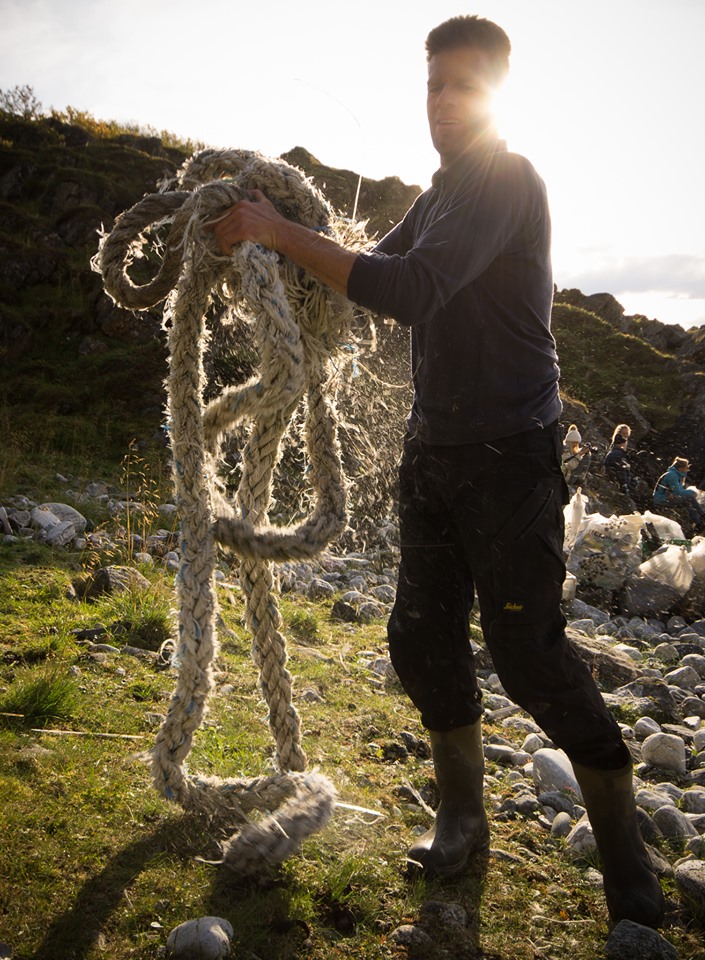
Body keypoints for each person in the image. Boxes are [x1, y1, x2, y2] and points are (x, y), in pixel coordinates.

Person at [211, 14, 664, 929]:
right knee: (418, 638)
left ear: (495, 93)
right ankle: (462, 816)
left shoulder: (507, 178)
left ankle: (625, 856)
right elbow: (382, 266)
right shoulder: (445, 188)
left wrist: (278, 232)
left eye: (462, 85)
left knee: (529, 655)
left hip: (511, 453)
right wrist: (280, 231)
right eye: (432, 84)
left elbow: (410, 292)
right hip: (436, 447)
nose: (444, 102)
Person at [653, 456, 705, 531]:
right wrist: (692, 492)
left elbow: (676, 491)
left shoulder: (676, 475)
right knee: (690, 498)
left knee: (688, 502)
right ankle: (702, 515)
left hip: (667, 497)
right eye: (687, 468)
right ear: (681, 468)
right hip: (661, 499)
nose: (687, 470)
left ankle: (699, 523)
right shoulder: (672, 475)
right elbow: (678, 492)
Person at [604, 423, 633, 495]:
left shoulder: (623, 446)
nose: (625, 435)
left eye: (627, 433)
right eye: (624, 433)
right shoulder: (617, 446)